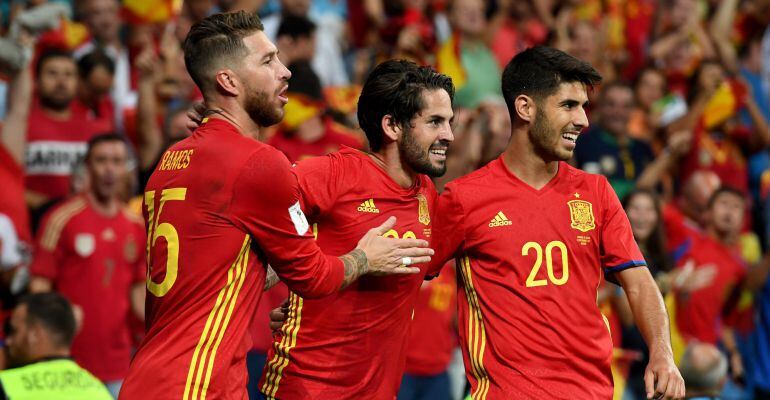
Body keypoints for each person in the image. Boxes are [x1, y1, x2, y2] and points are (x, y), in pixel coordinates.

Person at [119, 11, 432, 400]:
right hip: (200, 384)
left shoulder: (169, 163)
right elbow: (314, 278)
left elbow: (219, 266)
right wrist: (364, 257)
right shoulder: (259, 163)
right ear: (228, 81)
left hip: (148, 379)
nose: (285, 72)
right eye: (267, 61)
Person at [429, 46, 685, 398]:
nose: (583, 120)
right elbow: (409, 275)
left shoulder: (595, 192)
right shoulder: (465, 198)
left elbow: (639, 282)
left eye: (583, 106)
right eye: (568, 105)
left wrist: (662, 353)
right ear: (525, 108)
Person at [259, 59, 454, 400]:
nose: (448, 135)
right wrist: (288, 288)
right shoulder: (329, 176)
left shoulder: (427, 194)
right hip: (305, 390)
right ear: (392, 126)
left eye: (450, 122)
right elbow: (249, 238)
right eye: (435, 122)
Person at [29, 134, 147, 397]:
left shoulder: (136, 226)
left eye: (117, 161)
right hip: (70, 361)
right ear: (87, 167)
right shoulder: (61, 219)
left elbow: (138, 293)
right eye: (101, 160)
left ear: (126, 168)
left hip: (118, 361)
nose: (109, 169)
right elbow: (39, 287)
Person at [0, 292, 112, 400]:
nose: (8, 341)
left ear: (35, 334)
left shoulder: (7, 386)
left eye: (13, 331)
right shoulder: (99, 390)